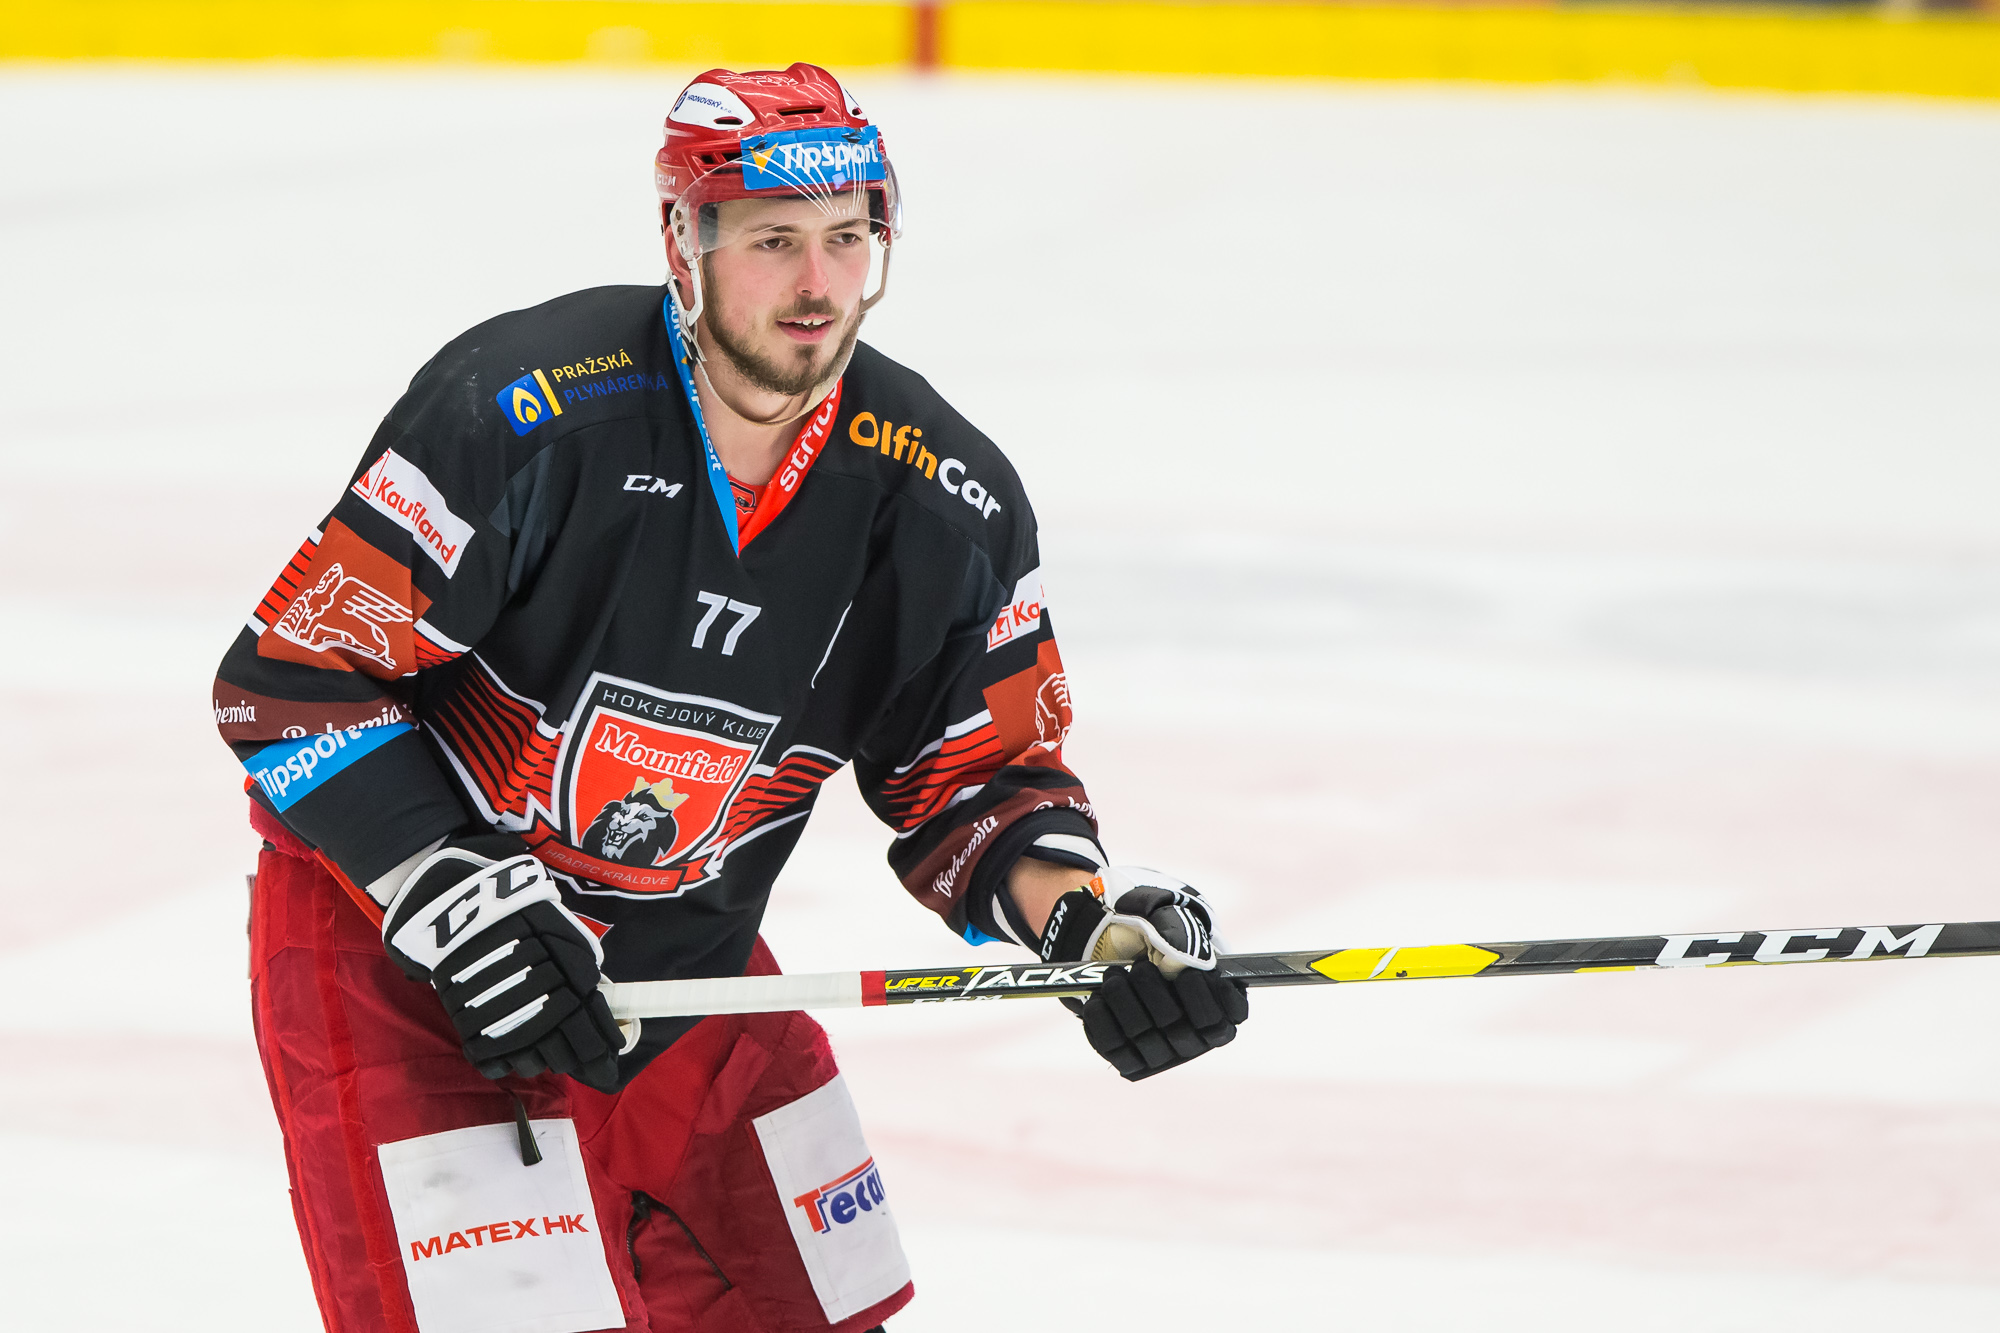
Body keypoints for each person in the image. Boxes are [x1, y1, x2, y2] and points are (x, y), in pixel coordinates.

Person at [212, 62, 1249, 1333]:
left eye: (847, 239)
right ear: (682, 242)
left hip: (692, 979)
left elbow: (975, 781)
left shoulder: (944, 500)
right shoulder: (519, 412)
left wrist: (1087, 927)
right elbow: (290, 682)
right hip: (410, 960)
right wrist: (459, 900)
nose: (817, 285)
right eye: (772, 241)